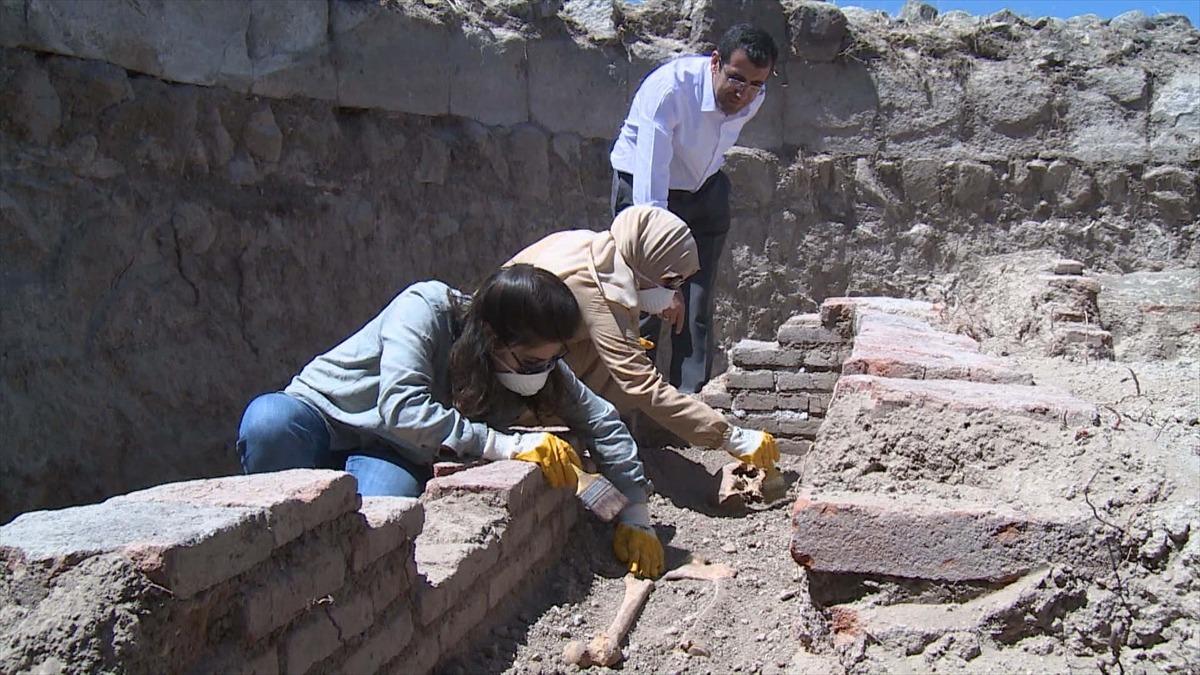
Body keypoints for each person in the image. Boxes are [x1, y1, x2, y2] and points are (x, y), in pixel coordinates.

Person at [237, 264, 663, 578]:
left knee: (386, 510)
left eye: (553, 360)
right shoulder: (426, 309)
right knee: (268, 425)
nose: (544, 370)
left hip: (392, 451)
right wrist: (506, 445)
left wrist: (636, 515)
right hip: (325, 418)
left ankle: (320, 579)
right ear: (495, 339)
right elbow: (402, 408)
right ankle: (268, 560)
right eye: (533, 361)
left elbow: (602, 420)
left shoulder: (535, 361)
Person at [507, 205, 779, 472]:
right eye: (670, 282)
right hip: (510, 385)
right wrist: (729, 436)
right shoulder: (596, 290)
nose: (673, 293)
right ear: (645, 261)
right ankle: (608, 454)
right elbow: (641, 384)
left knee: (627, 356)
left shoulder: (595, 247)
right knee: (622, 376)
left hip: (518, 360)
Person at [609, 23, 777, 394]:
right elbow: (651, 185)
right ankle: (638, 399)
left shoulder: (754, 95)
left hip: (705, 190)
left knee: (697, 305)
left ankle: (690, 403)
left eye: (755, 84)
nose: (744, 93)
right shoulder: (671, 91)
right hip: (646, 189)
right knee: (646, 298)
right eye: (736, 79)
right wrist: (661, 276)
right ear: (715, 62)